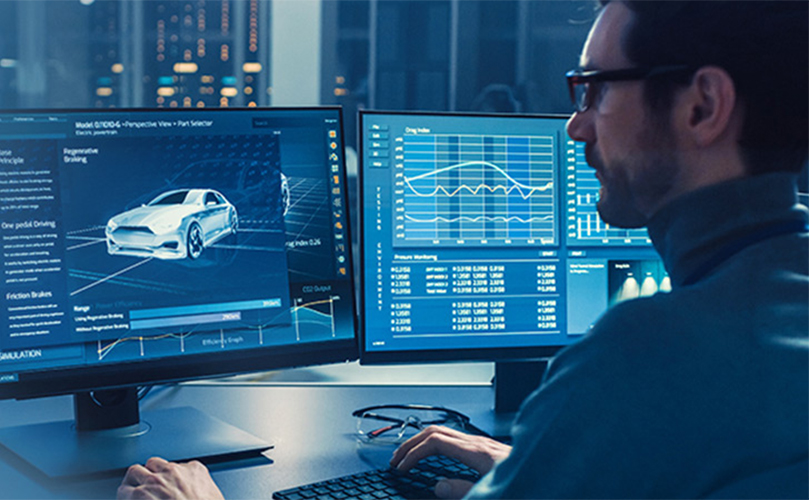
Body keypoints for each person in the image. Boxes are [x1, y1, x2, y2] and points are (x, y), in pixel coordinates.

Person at [118, 1, 808, 498]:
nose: (575, 127)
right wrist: (539, 460)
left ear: (702, 105)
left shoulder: (646, 357)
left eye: (594, 91)